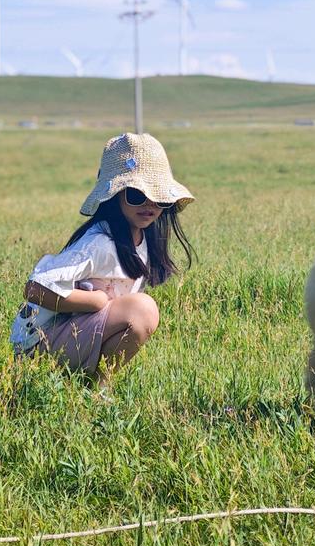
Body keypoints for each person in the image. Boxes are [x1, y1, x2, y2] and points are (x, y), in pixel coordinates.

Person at [10, 132, 194, 379]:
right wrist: (94, 301)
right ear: (115, 195)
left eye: (159, 197)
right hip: (35, 346)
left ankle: (95, 384)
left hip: (67, 336)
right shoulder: (100, 242)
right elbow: (34, 289)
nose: (149, 204)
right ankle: (99, 387)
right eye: (137, 195)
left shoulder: (142, 239)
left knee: (139, 309)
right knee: (143, 309)